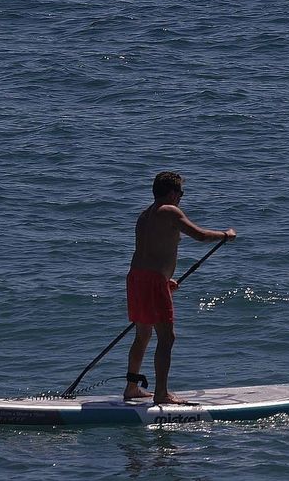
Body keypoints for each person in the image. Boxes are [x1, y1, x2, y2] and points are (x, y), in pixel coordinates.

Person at [123, 171, 235, 405]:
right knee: (167, 337)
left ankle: (132, 388)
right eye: (180, 193)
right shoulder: (169, 211)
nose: (181, 198)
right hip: (152, 281)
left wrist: (163, 280)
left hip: (137, 278)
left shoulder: (144, 215)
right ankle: (162, 393)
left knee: (142, 335)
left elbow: (149, 253)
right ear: (173, 193)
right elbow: (200, 235)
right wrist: (225, 234)